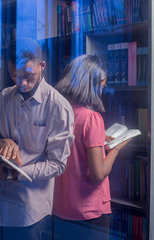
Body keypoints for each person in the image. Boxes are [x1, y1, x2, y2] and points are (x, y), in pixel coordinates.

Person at [0, 38, 74, 240]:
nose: (21, 83)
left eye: (28, 76)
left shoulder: (58, 106)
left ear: (42, 66)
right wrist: (0, 143)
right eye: (15, 75)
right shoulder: (3, 97)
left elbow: (57, 164)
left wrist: (14, 174)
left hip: (28, 213)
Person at [52, 55, 130, 240]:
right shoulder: (91, 118)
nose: (103, 90)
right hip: (89, 213)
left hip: (60, 208)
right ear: (91, 85)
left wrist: (97, 140)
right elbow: (98, 174)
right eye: (102, 85)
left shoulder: (58, 114)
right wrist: (117, 148)